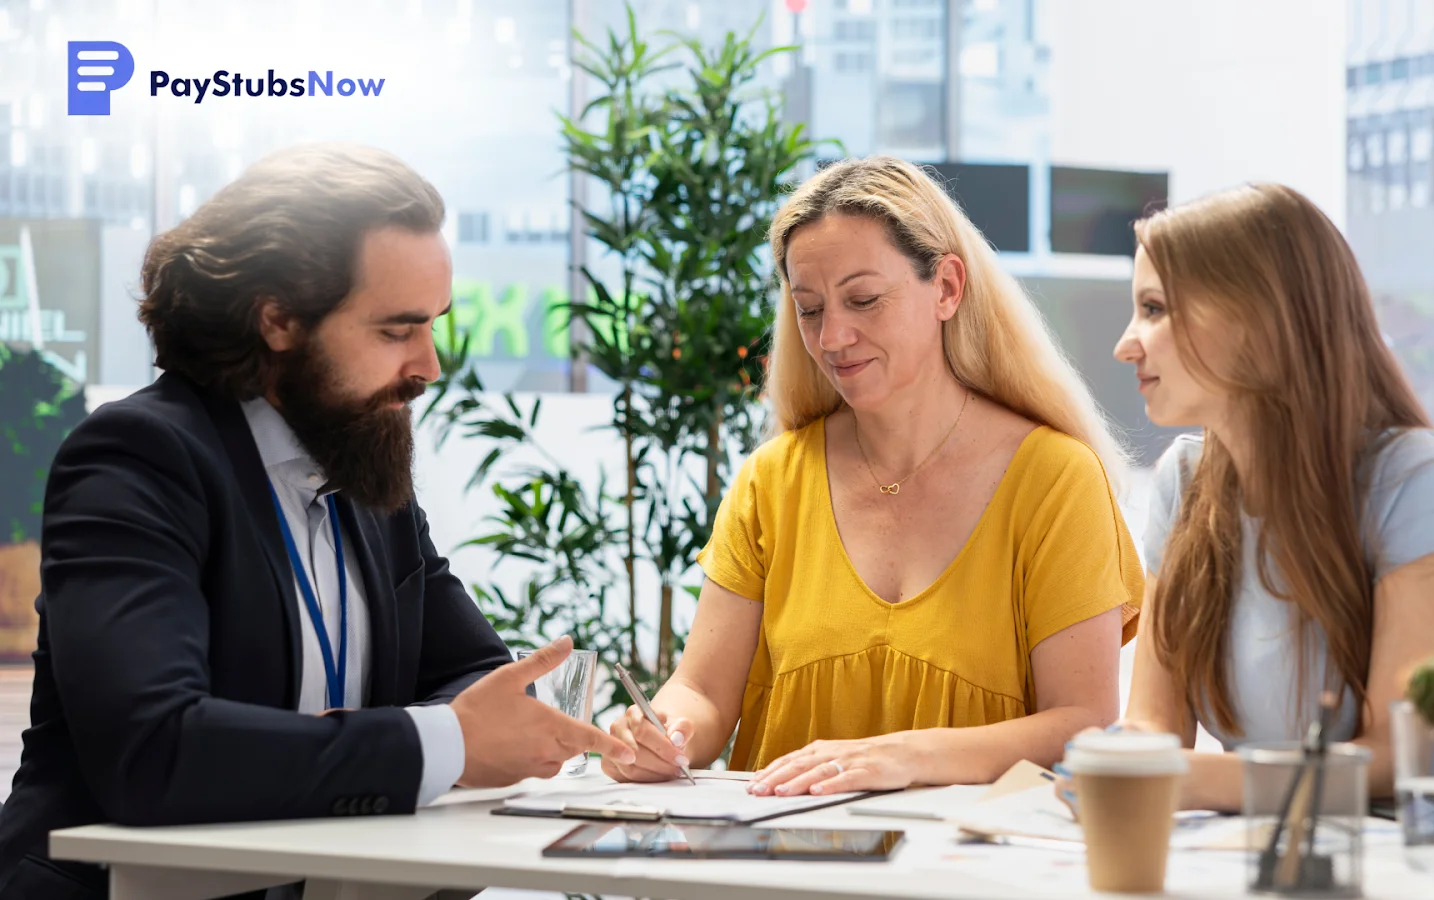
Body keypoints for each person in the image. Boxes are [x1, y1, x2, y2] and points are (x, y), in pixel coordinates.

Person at [0, 144, 633, 899]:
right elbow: (156, 753)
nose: (430, 365)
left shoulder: (363, 465)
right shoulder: (138, 458)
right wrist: (442, 743)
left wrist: (443, 733)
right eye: (397, 331)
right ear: (278, 321)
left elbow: (474, 679)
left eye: (433, 325)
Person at [603, 155, 1144, 796]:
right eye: (809, 310)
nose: (833, 337)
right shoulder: (770, 483)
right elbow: (702, 691)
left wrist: (910, 757)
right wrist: (666, 731)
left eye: (863, 300)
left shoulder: (1054, 481)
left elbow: (1082, 724)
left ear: (946, 287)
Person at [1111, 183, 1434, 811]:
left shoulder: (1415, 481)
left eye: (1154, 309)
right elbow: (1152, 727)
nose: (1127, 343)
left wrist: (1193, 781)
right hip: (1243, 855)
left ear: (1258, 320)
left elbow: (1394, 760)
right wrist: (1113, 765)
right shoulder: (1181, 481)